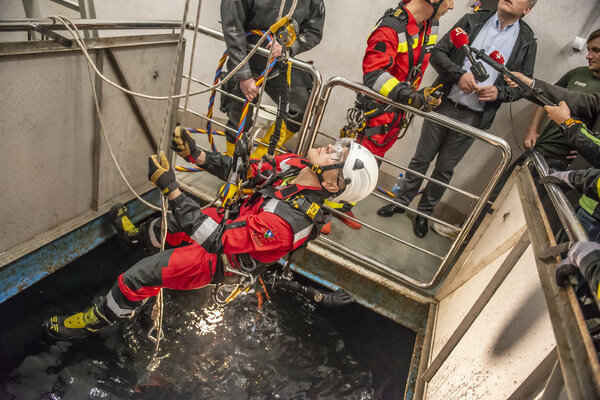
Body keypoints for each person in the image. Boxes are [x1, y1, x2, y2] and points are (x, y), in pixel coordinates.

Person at [44, 129, 378, 340]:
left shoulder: (287, 224)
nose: (330, 148)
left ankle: (99, 318)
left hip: (221, 258)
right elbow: (249, 172)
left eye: (338, 156)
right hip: (236, 219)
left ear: (333, 185)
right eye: (338, 146)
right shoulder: (295, 164)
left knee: (141, 274)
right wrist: (196, 154)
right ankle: (135, 239)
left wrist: (172, 190)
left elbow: (215, 240)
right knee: (172, 225)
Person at [378, 0, 538, 239]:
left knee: (444, 169)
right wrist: (459, 74)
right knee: (420, 159)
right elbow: (438, 53)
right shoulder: (472, 21)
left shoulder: (527, 42)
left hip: (473, 117)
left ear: (527, 9)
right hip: (442, 103)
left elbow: (524, 86)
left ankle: (425, 214)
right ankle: (401, 202)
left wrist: (499, 93)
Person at [322, 0, 453, 235]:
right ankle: (323, 211)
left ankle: (344, 206)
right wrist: (411, 96)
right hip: (376, 112)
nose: (452, 6)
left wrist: (417, 96)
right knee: (351, 162)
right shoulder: (390, 28)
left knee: (372, 164)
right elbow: (374, 74)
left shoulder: (428, 26)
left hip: (396, 112)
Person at [220, 0, 325, 156]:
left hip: (281, 62)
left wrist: (291, 45)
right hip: (247, 57)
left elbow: (313, 30)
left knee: (301, 111)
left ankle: (257, 162)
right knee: (238, 119)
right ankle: (231, 168)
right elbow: (233, 28)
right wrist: (243, 74)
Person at [521, 29, 600, 170]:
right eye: (588, 50)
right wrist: (532, 129)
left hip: (563, 160)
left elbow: (584, 102)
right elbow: (548, 94)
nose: (588, 56)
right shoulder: (578, 73)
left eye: (596, 50)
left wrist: (587, 155)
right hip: (542, 146)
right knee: (500, 189)